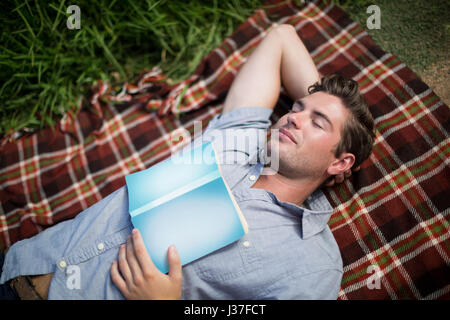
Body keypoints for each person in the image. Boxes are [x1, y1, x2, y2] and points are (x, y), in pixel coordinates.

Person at [0, 24, 375, 300]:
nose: (294, 117)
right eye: (296, 108)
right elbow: (281, 37)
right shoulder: (239, 140)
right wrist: (325, 101)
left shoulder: (312, 265)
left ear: (341, 163)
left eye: (317, 122)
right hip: (21, 263)